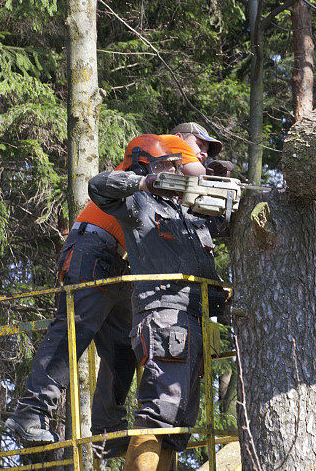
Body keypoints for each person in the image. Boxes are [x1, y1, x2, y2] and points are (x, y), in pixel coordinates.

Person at [6, 124, 218, 457]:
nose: (202, 153)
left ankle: (107, 428)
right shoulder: (158, 149)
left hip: (119, 261)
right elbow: (107, 185)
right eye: (200, 145)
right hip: (93, 247)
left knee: (122, 347)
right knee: (73, 331)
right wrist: (181, 174)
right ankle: (31, 411)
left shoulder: (167, 182)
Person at [87, 128, 229, 471]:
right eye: (177, 165)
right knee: (158, 415)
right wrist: (143, 183)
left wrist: (216, 182)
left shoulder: (189, 214)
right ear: (160, 166)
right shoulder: (140, 204)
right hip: (165, 318)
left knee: (175, 427)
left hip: (193, 321)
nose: (186, 169)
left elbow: (222, 224)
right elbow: (98, 186)